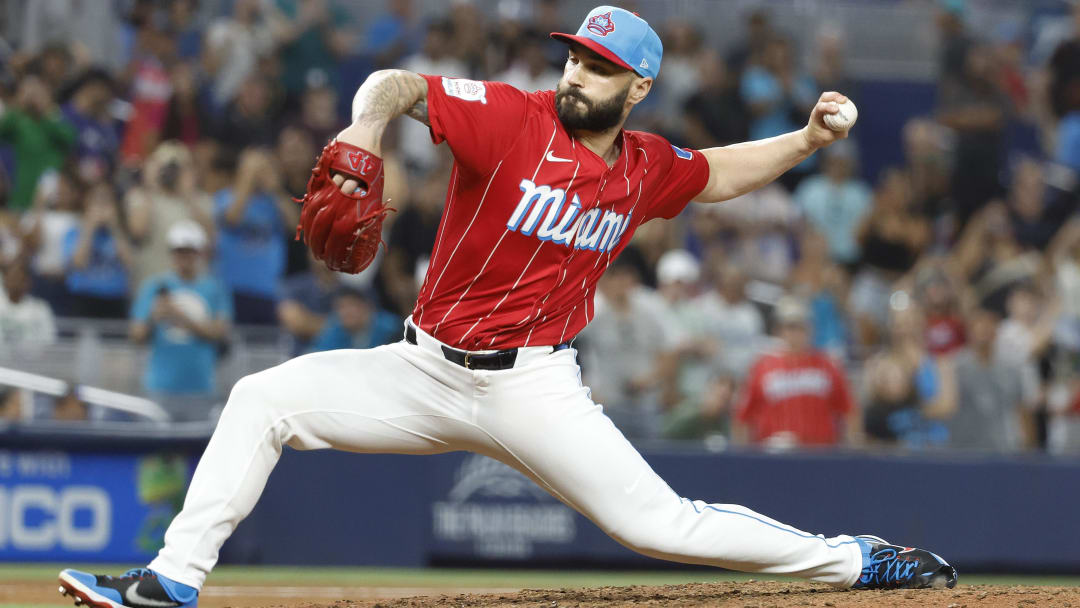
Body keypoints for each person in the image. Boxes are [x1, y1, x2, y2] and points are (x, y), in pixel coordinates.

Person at [59, 8, 956, 608]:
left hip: (535, 387)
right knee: (262, 397)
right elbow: (397, 84)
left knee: (658, 524)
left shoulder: (643, 165)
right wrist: (364, 128)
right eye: (574, 55)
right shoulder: (512, 119)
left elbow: (716, 173)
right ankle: (171, 583)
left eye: (600, 66)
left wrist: (802, 140)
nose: (578, 73)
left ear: (636, 88)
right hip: (419, 368)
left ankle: (856, 559)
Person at [129, 221, 232, 416]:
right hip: (160, 387)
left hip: (201, 388)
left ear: (199, 253)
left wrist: (181, 318)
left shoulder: (215, 289)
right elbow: (136, 335)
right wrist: (153, 317)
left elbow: (220, 331)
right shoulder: (153, 286)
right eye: (179, 251)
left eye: (189, 251)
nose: (184, 257)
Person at [734, 296, 858, 448]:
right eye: (790, 327)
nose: (796, 333)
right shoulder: (762, 367)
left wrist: (852, 447)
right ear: (779, 330)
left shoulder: (828, 366)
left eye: (801, 326)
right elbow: (743, 417)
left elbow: (849, 411)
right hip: (775, 456)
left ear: (810, 329)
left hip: (820, 455)